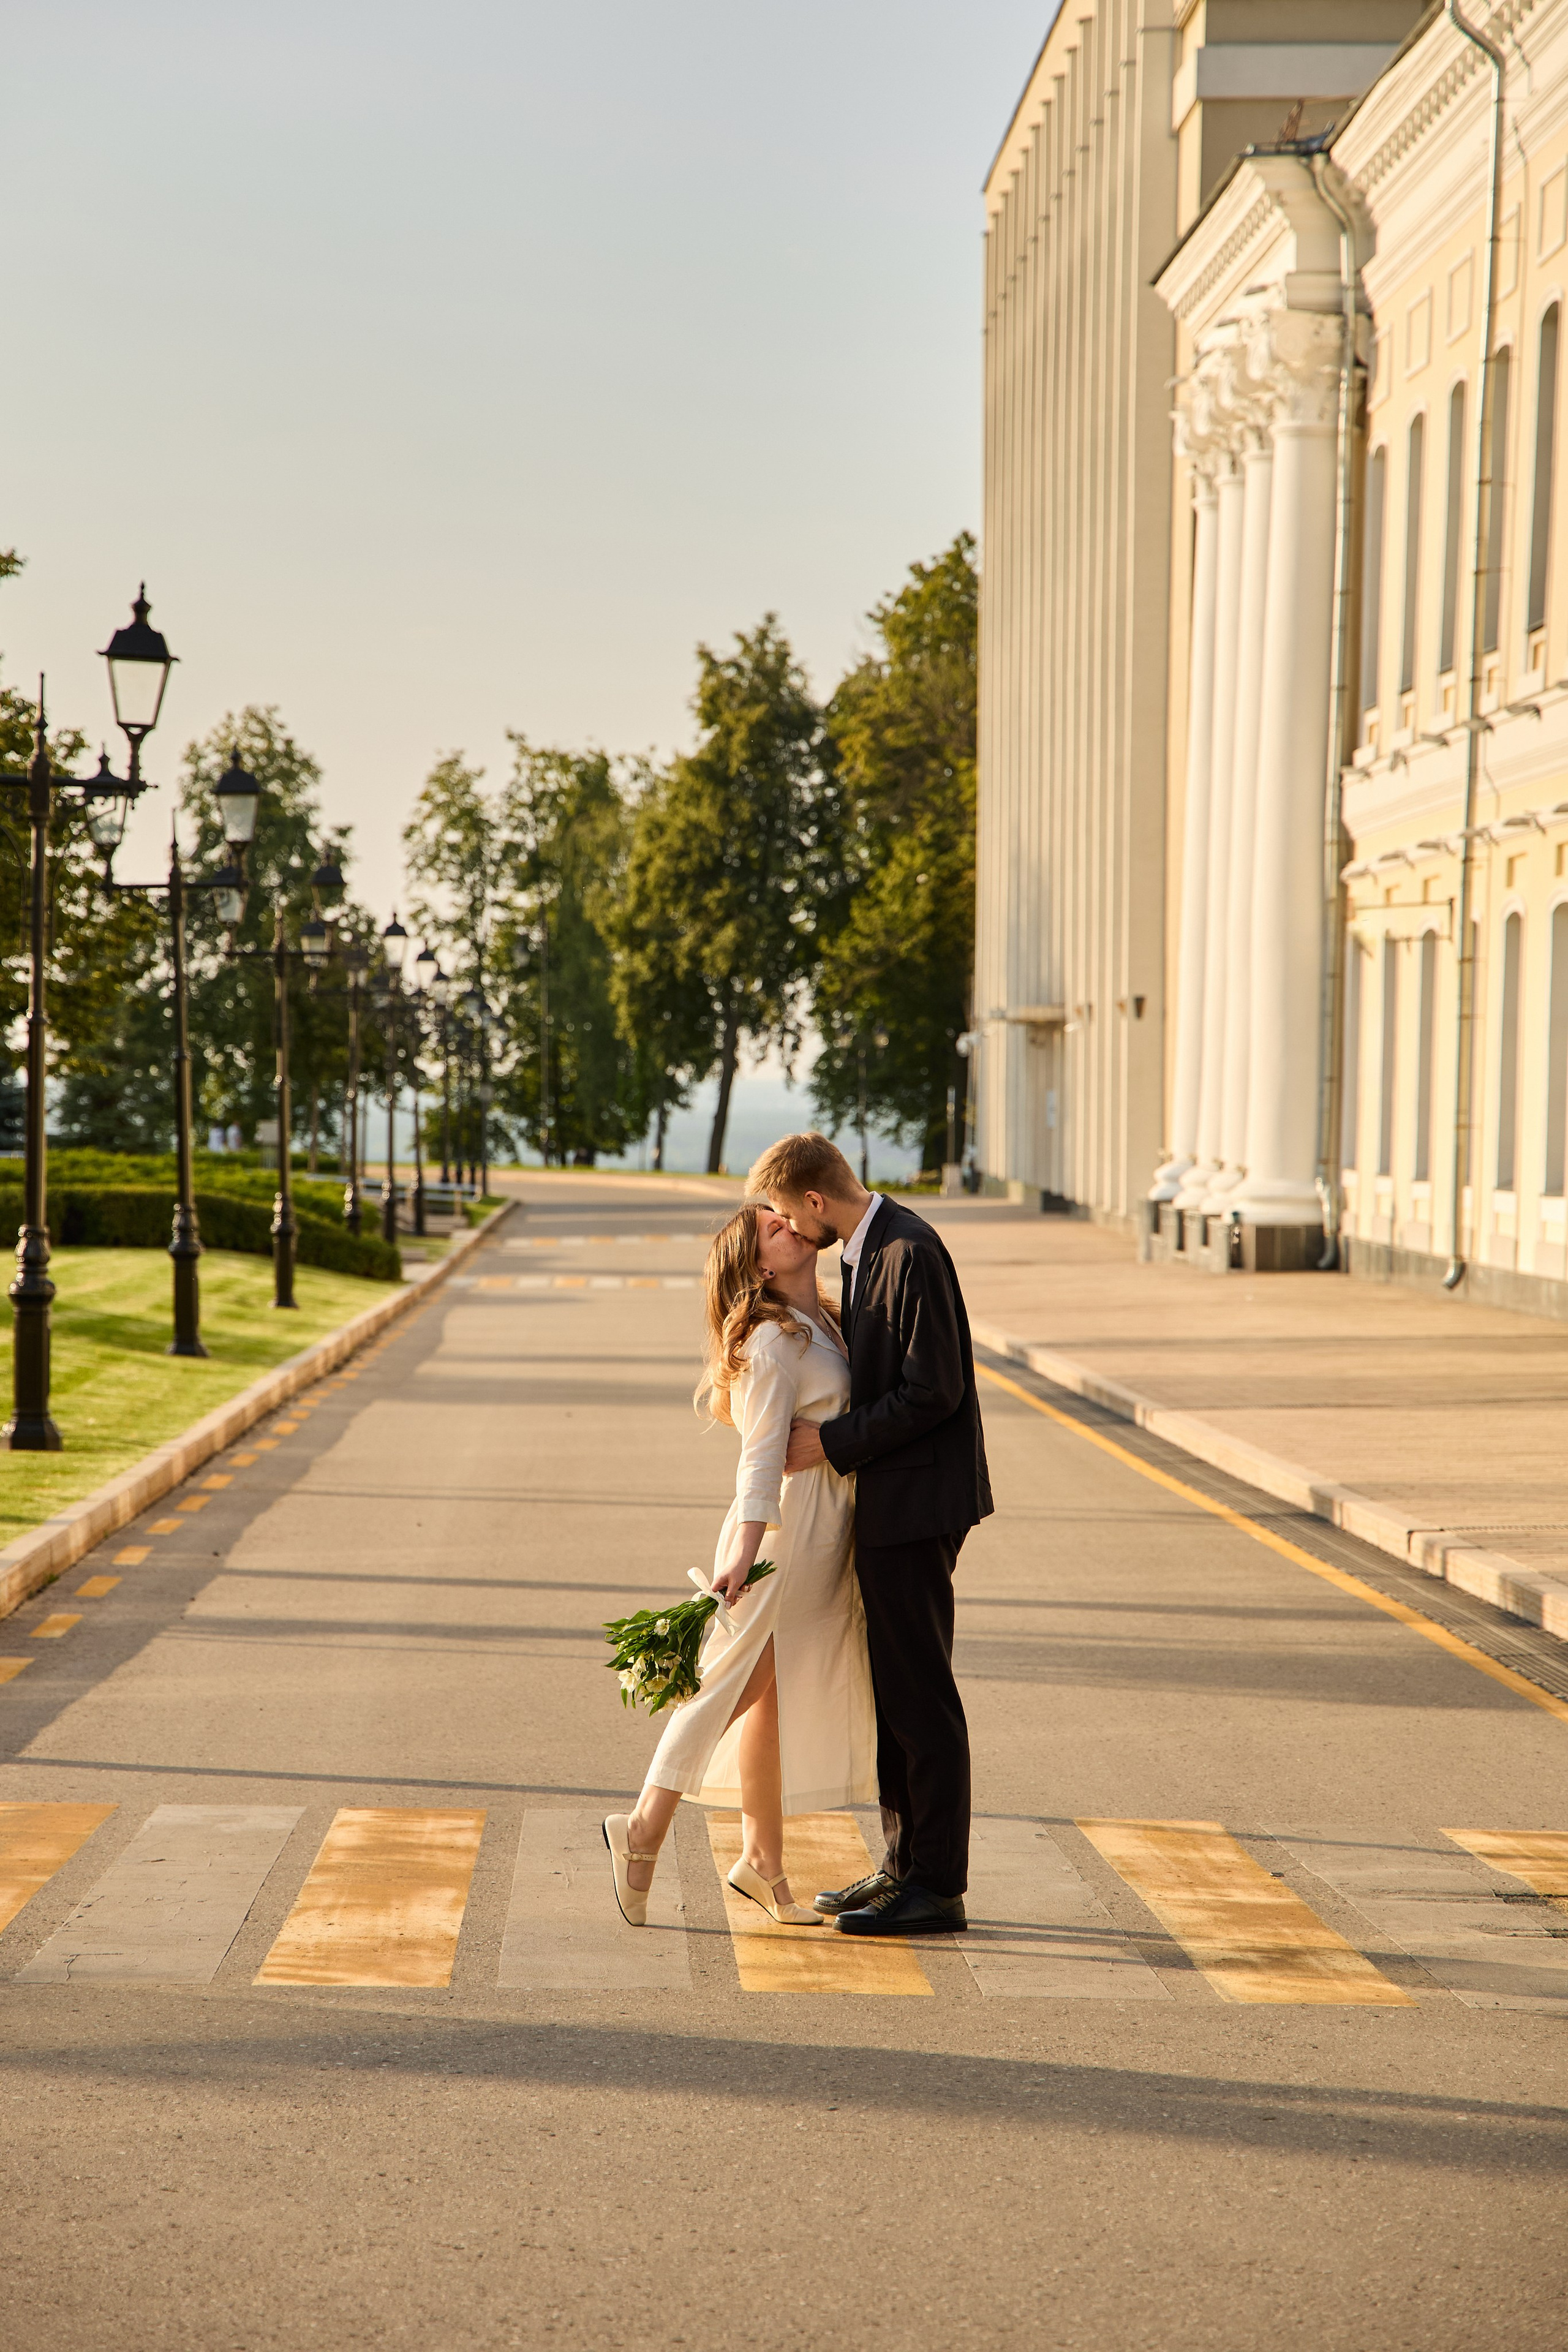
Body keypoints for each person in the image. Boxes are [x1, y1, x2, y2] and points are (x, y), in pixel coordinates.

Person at [603, 1202, 876, 1928]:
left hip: (822, 1530)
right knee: (727, 1687)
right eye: (771, 1230)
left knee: (767, 1696)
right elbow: (759, 1461)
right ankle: (642, 1828)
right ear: (759, 1266)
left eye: (785, 1216)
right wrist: (744, 1558)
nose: (788, 1226)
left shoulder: (817, 1319)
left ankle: (762, 1863)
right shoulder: (767, 1343)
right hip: (784, 1538)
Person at [748, 1133, 992, 1937]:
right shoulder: (864, 1250)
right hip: (889, 1503)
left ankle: (938, 1884)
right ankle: (901, 1868)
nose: (788, 1227)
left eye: (787, 1213)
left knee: (920, 1694)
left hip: (919, 1505)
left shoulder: (908, 1251)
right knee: (895, 1693)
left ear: (815, 1202)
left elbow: (936, 1390)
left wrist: (833, 1442)